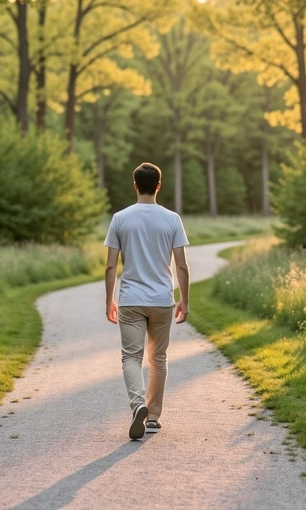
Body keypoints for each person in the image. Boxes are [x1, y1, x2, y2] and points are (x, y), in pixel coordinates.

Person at [104, 162, 190, 441]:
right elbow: (182, 266)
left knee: (131, 356)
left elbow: (110, 266)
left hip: (130, 299)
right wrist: (184, 300)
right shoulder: (172, 219)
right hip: (162, 300)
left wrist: (109, 300)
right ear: (159, 186)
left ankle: (137, 404)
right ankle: (152, 417)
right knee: (158, 358)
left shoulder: (120, 218)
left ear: (135, 185)